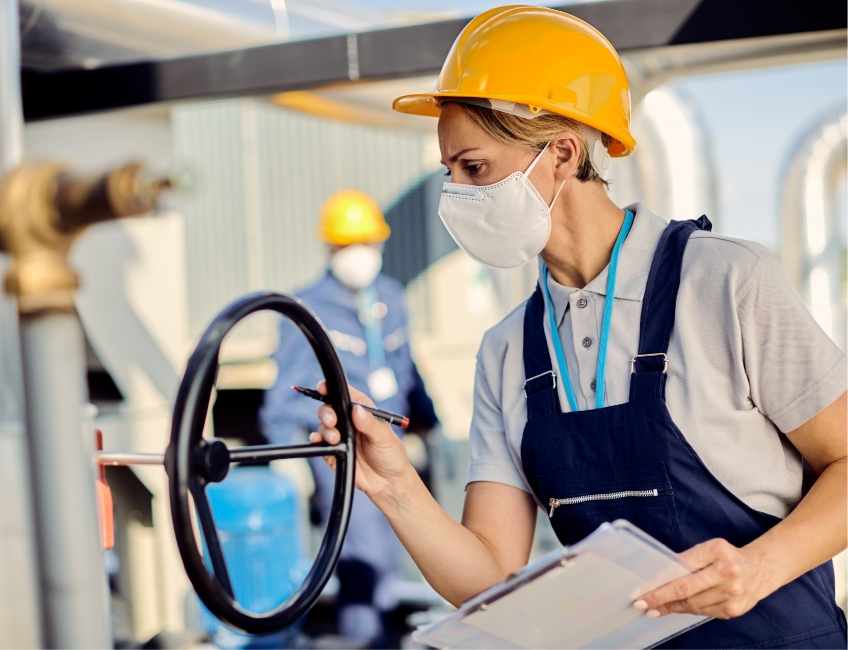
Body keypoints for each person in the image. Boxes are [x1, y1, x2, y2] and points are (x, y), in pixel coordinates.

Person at [309, 6, 848, 649]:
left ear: (562, 153)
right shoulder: (507, 350)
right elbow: (491, 572)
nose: (454, 194)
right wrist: (393, 484)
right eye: (448, 172)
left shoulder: (725, 281)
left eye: (473, 168)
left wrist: (760, 567)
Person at [259, 189, 438, 646]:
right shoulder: (306, 307)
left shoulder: (392, 297)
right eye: (346, 245)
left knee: (394, 555)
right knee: (363, 559)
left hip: (393, 450)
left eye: (367, 244)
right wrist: (287, 454)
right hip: (345, 455)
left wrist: (427, 424)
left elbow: (407, 369)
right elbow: (285, 396)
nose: (359, 255)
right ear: (330, 249)